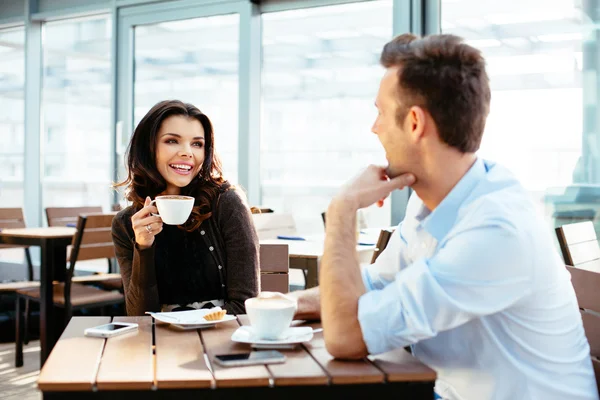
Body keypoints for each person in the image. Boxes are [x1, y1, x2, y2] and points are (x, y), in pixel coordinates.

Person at [289, 34, 599, 399]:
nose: (375, 128)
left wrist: (342, 210)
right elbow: (368, 290)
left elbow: (346, 336)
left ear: (415, 123)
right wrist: (276, 308)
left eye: (381, 113)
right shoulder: (437, 203)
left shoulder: (496, 231)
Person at [112, 100, 259, 316]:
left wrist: (190, 327)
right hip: (159, 343)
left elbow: (245, 305)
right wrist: (143, 247)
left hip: (220, 337)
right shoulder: (126, 223)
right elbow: (140, 318)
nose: (187, 152)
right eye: (172, 141)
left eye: (197, 144)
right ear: (148, 147)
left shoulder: (227, 203)